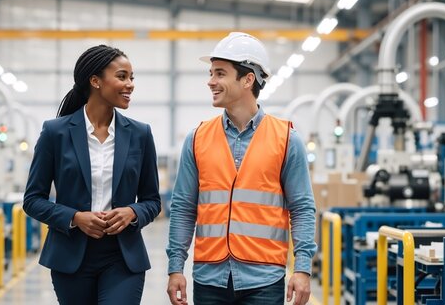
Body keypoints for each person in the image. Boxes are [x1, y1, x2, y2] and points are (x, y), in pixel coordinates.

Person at [166, 32, 317, 305]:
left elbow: (302, 208)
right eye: (211, 73)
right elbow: (183, 207)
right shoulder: (197, 138)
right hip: (209, 277)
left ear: (248, 79)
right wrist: (176, 266)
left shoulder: (286, 139)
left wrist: (302, 268)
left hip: (264, 279)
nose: (210, 81)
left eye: (220, 73)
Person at [23, 45, 161, 305]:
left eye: (132, 78)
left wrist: (132, 212)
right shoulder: (55, 133)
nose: (130, 84)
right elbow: (32, 200)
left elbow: (152, 201)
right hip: (70, 257)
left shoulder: (140, 134)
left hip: (123, 257)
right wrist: (75, 217)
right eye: (122, 76)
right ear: (95, 81)